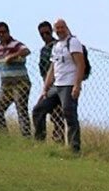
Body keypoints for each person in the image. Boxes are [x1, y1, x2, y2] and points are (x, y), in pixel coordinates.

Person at [32, 19, 85, 152]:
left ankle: (74, 148)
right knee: (38, 110)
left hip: (69, 84)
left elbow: (80, 64)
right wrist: (45, 88)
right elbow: (52, 68)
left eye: (62, 27)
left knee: (69, 114)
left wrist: (77, 85)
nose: (60, 30)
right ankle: (39, 142)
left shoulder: (73, 42)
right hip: (56, 85)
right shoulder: (56, 46)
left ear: (66, 27)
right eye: (57, 28)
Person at [0, 22, 32, 136]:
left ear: (8, 32)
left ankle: (26, 138)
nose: (1, 35)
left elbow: (26, 51)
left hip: (20, 83)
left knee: (21, 109)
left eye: (3, 32)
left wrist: (12, 56)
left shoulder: (16, 44)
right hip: (6, 85)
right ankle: (4, 136)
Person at [37, 21, 65, 143]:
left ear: (52, 31)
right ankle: (42, 139)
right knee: (42, 111)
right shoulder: (43, 50)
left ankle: (59, 139)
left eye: (47, 33)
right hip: (48, 85)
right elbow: (43, 69)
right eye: (42, 34)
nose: (45, 36)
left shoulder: (59, 46)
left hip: (60, 84)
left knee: (59, 114)